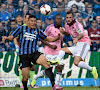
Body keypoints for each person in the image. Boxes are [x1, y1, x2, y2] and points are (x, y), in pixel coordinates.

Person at [2, 15, 61, 90]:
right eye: (31, 21)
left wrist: (56, 38)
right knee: (25, 78)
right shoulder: (21, 28)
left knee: (46, 64)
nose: (33, 23)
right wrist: (6, 38)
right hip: (24, 56)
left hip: (34, 54)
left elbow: (47, 39)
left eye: (34, 21)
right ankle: (25, 88)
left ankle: (54, 85)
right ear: (28, 21)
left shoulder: (37, 31)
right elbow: (11, 37)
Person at [55, 11, 98, 80]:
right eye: (67, 17)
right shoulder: (67, 25)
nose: (68, 19)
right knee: (62, 50)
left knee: (76, 62)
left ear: (73, 18)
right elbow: (68, 34)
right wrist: (64, 32)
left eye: (70, 17)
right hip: (77, 45)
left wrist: (76, 39)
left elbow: (81, 34)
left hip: (84, 43)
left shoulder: (77, 25)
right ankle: (58, 61)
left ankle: (92, 69)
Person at [31, 14, 64, 90]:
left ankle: (56, 85)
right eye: (57, 18)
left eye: (60, 18)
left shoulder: (62, 29)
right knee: (48, 70)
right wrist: (51, 45)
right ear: (54, 20)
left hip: (58, 51)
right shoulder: (49, 28)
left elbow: (60, 40)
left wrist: (63, 45)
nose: (59, 20)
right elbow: (42, 39)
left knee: (59, 67)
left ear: (62, 20)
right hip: (49, 51)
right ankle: (35, 77)